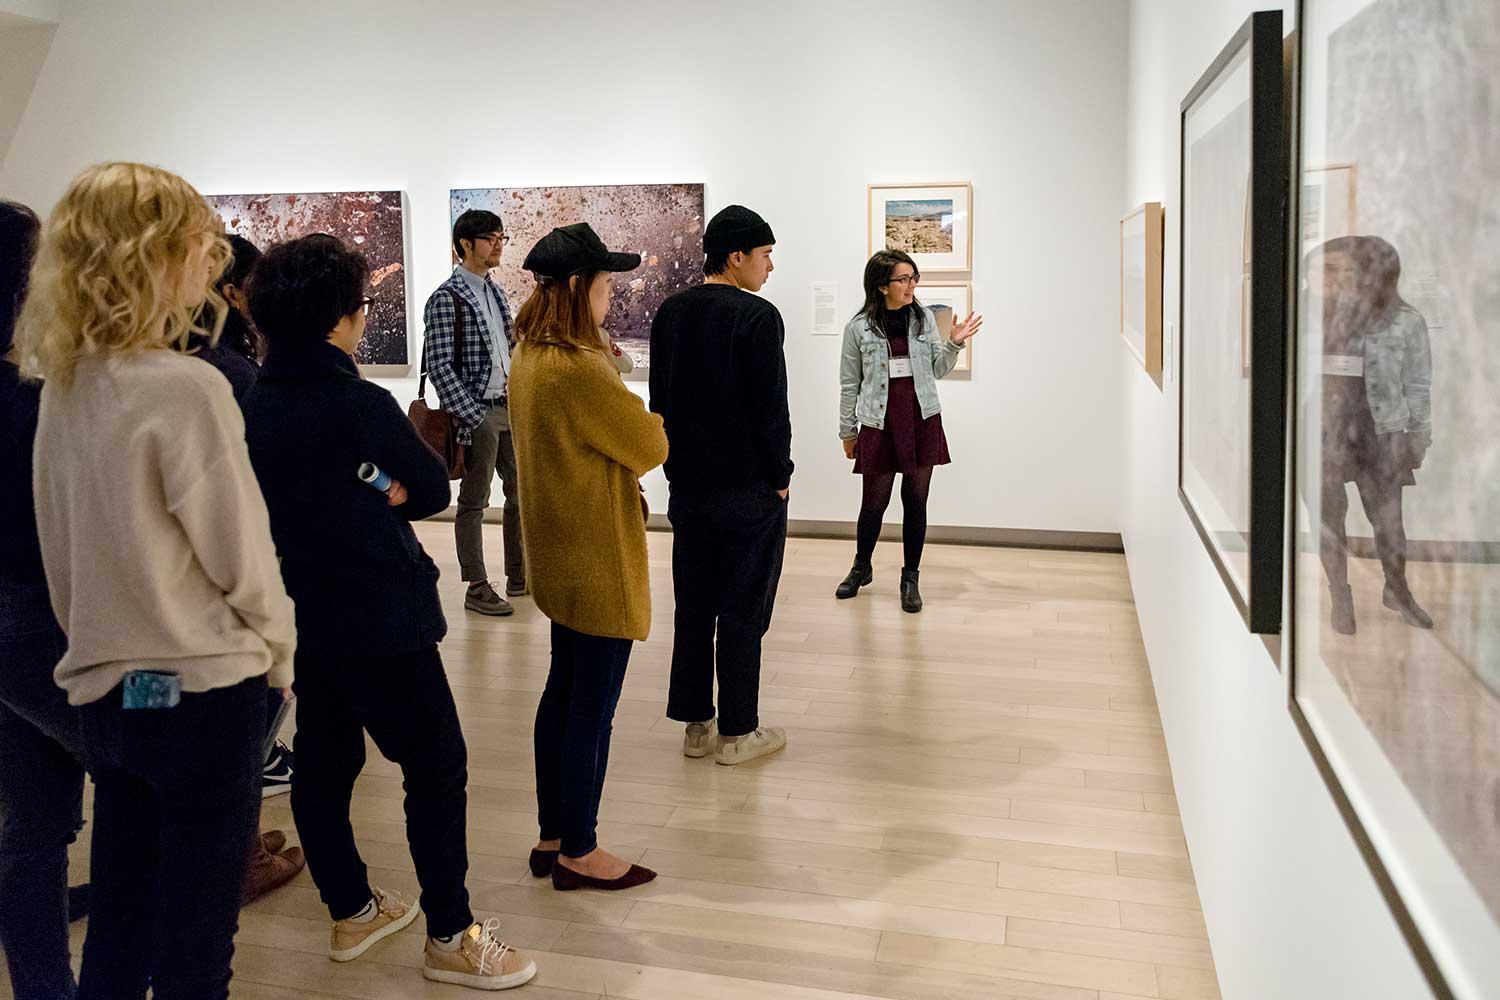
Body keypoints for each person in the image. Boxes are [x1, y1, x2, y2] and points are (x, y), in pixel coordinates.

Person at [18, 161, 296, 1000]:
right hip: (204, 697)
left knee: (122, 919)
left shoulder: (63, 387)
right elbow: (241, 558)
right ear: (166, 255)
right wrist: (280, 654)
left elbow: (61, 558)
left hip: (112, 696)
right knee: (197, 941)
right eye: (201, 248)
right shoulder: (186, 388)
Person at [243, 233, 535, 990]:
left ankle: (351, 910)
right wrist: (381, 486)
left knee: (327, 761)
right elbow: (432, 488)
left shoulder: (246, 402)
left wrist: (372, 484)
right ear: (340, 317)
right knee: (437, 766)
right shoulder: (358, 403)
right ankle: (449, 932)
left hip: (299, 615)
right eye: (362, 307)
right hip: (379, 615)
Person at [509, 223, 667, 890]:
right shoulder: (577, 370)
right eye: (606, 287)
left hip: (558, 549)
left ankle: (553, 834)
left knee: (564, 694)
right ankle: (580, 847)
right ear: (579, 289)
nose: (611, 300)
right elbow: (650, 443)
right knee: (591, 707)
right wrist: (637, 403)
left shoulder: (532, 356)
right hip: (595, 555)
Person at [649, 204, 792, 766]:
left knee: (694, 604)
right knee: (742, 610)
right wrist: (780, 478)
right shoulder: (757, 317)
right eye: (765, 255)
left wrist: (674, 469)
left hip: (688, 488)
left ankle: (695, 726)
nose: (770, 267)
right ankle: (738, 731)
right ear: (736, 257)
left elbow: (660, 402)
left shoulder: (671, 313)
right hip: (747, 490)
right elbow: (770, 410)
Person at [184, 231, 304, 897]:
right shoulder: (223, 377)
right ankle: (234, 856)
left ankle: (231, 844)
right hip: (235, 588)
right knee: (247, 719)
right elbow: (243, 510)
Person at [0, 198, 90, 1000]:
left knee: (28, 832)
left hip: (24, 637)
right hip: (38, 631)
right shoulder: (35, 407)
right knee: (161, 773)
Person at [835, 250, 983, 613]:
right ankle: (861, 566)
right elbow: (849, 383)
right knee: (873, 503)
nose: (911, 285)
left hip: (921, 419)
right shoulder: (858, 328)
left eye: (914, 278)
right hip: (878, 421)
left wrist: (955, 341)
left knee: (915, 502)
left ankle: (910, 577)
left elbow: (937, 369)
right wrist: (847, 431)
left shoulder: (924, 321)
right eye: (904, 279)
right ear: (882, 285)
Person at [1307, 236, 1434, 635]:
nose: (1339, 279)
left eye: (1347, 270)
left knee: (1389, 523)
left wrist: (1419, 435)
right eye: (1331, 271)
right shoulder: (1309, 314)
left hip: (1379, 430)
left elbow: (1418, 383)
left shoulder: (1405, 320)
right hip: (1323, 429)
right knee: (1328, 518)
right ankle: (1340, 597)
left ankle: (1397, 590)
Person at [422, 209, 526, 616]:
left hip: (508, 407)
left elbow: (510, 348)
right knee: (474, 500)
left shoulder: (494, 291)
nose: (499, 244)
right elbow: (439, 365)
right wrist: (473, 413)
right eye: (490, 237)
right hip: (479, 412)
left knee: (519, 493)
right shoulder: (446, 299)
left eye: (502, 236)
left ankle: (519, 575)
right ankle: (477, 584)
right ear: (466, 244)